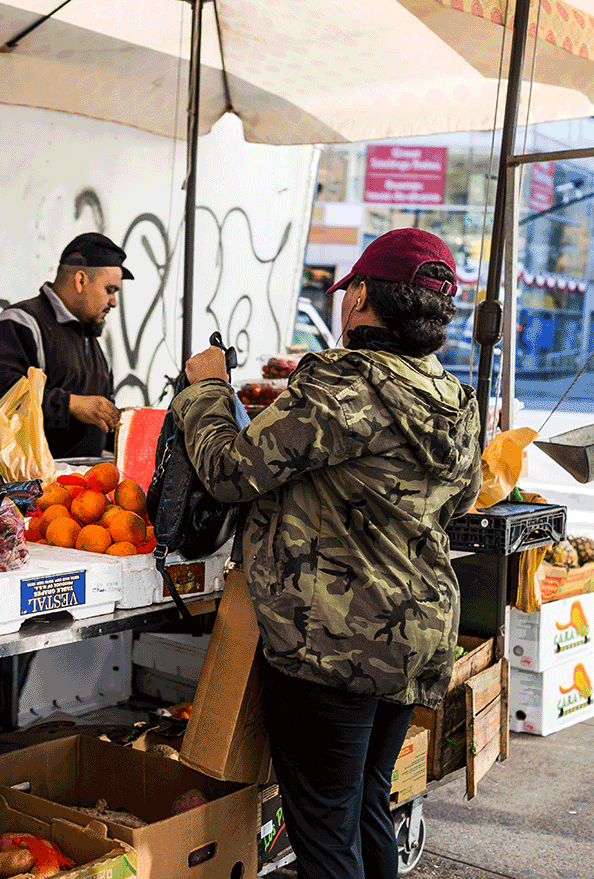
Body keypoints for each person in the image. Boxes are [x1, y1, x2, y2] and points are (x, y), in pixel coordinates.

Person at [175, 228, 483, 879]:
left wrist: (205, 390)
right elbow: (457, 502)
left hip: (335, 649)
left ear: (362, 295)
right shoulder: (456, 401)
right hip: (415, 640)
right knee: (365, 800)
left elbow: (231, 469)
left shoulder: (345, 385)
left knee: (324, 831)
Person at [0, 232, 130, 459]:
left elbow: (100, 422)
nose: (114, 302)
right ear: (80, 280)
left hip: (85, 486)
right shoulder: (20, 324)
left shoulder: (95, 342)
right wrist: (71, 404)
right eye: (110, 290)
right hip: (27, 486)